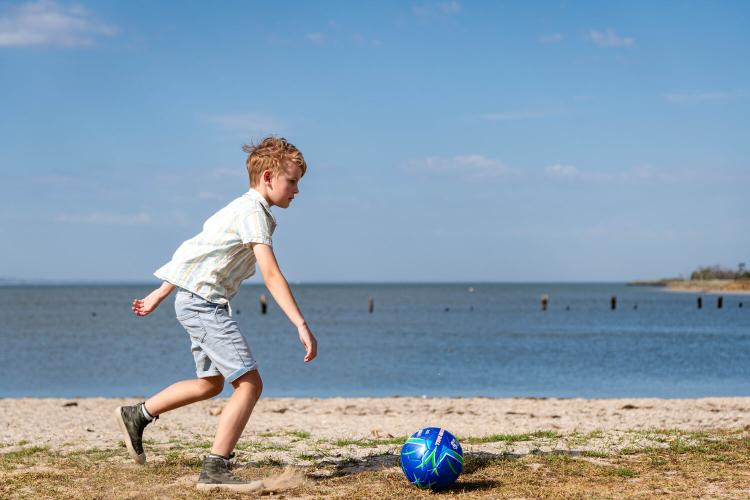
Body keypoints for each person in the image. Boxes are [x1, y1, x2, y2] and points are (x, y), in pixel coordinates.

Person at [114, 136, 317, 491]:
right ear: (268, 177)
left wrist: (161, 293)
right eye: (293, 181)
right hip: (202, 305)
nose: (297, 190)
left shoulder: (243, 210)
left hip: (197, 300)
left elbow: (197, 252)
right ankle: (215, 469)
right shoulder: (252, 213)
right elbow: (270, 273)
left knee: (211, 384)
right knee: (249, 383)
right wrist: (300, 322)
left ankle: (138, 415)